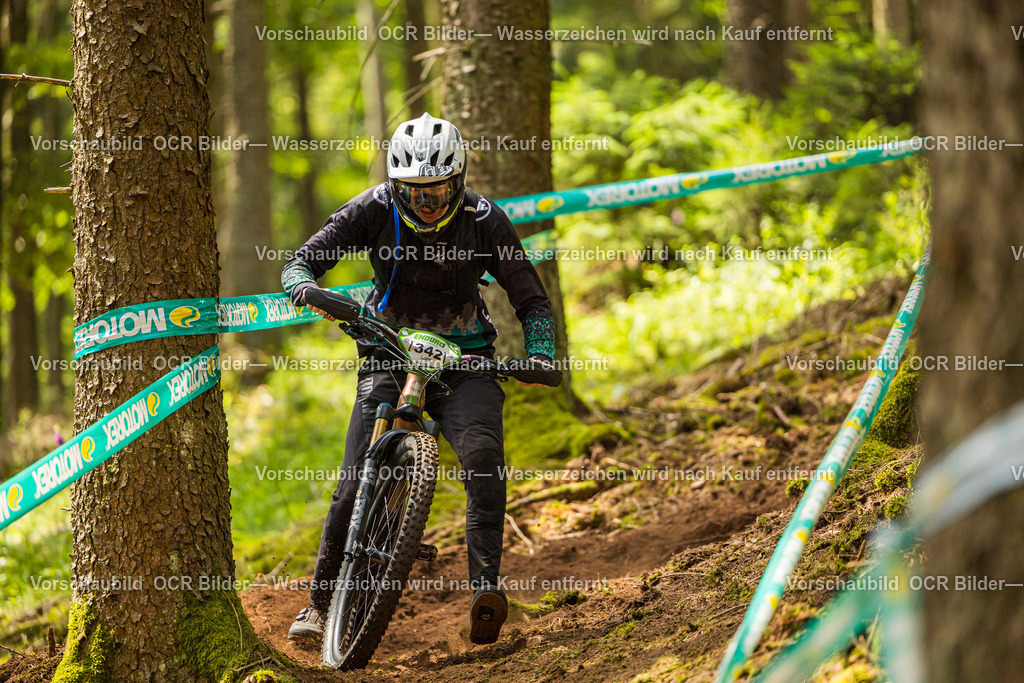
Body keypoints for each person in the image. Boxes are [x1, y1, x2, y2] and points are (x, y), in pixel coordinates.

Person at [282, 113, 555, 646]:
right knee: (358, 473)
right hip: (387, 348)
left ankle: (485, 590)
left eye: (436, 192)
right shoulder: (374, 208)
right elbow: (300, 263)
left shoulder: (485, 219)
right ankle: (319, 604)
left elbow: (533, 300)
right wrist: (309, 291)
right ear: (395, 187)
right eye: (414, 194)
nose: (426, 205)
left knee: (482, 457)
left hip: (466, 355)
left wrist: (540, 354)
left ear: (458, 180)